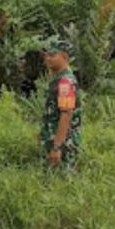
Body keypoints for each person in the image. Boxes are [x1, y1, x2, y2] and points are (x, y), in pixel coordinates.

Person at [40, 40, 82, 170]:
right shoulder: (58, 79)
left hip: (63, 143)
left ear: (64, 57)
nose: (47, 59)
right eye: (46, 55)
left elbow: (66, 114)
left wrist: (57, 146)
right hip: (54, 138)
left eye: (52, 55)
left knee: (61, 180)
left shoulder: (65, 82)